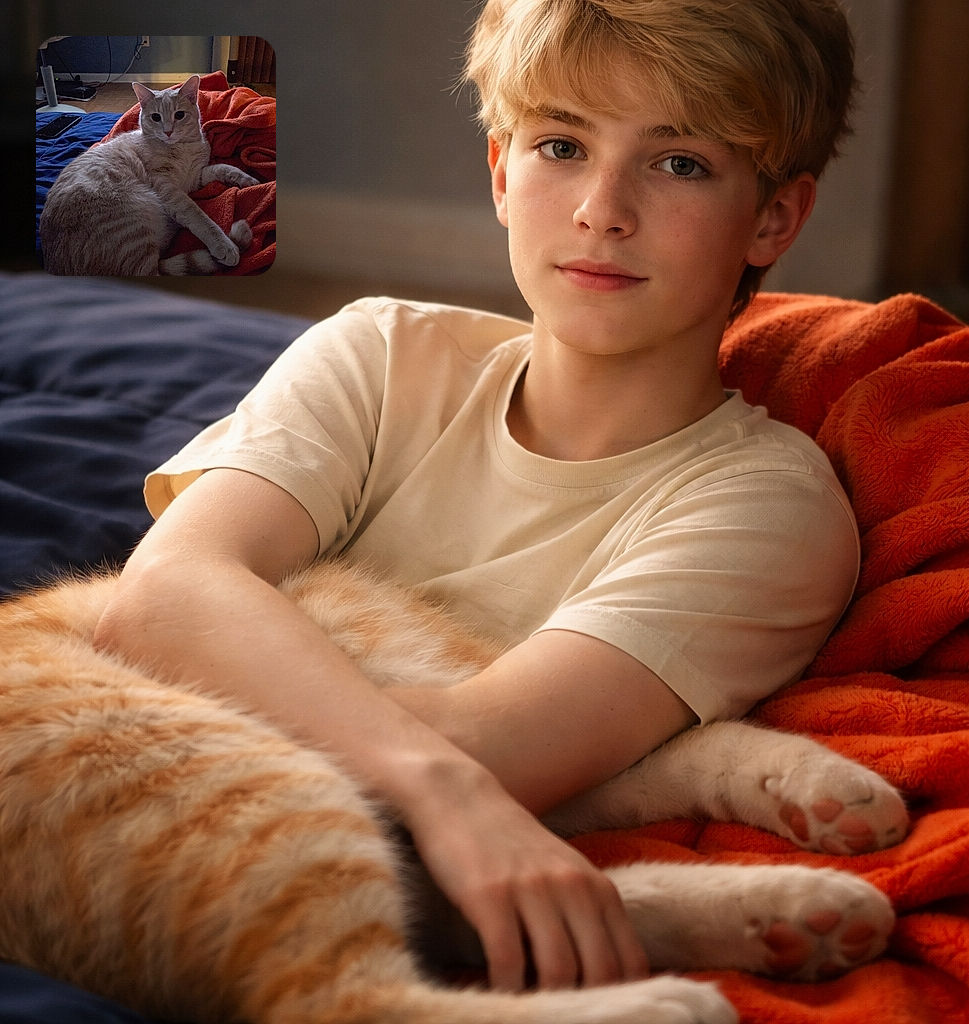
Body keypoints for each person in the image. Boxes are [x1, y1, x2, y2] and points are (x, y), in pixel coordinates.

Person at [95, 0, 859, 996]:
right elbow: (157, 598)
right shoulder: (380, 349)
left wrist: (224, 665)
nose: (600, 210)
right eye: (560, 144)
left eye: (679, 163)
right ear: (500, 172)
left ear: (773, 217)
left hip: (209, 809)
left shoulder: (767, 508)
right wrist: (444, 786)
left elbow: (486, 741)